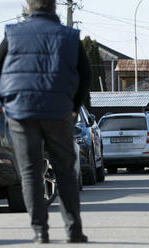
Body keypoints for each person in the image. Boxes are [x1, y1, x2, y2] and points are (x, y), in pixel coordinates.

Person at [0, 0, 90, 243]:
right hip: (58, 110)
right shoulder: (70, 36)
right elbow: (85, 75)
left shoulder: (13, 34)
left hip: (20, 111)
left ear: (29, 8)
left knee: (30, 172)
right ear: (54, 8)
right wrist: (73, 108)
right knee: (65, 170)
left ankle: (40, 232)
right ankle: (74, 230)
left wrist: (5, 103)